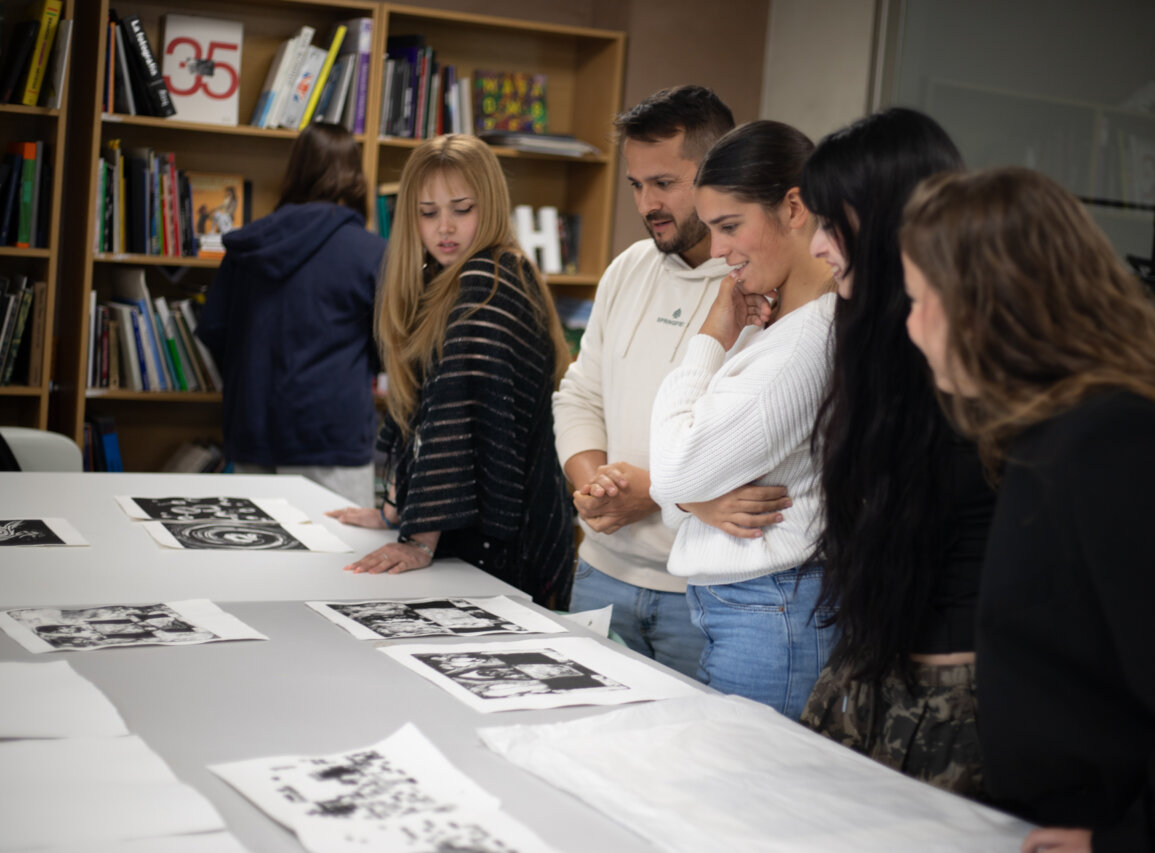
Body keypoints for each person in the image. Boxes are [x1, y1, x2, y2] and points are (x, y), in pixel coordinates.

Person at [899, 166, 1155, 852]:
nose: (912, 325)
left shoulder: (1125, 442)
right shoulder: (1050, 431)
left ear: (992, 305)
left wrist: (1129, 844)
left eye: (922, 300)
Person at [554, 86, 785, 678]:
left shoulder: (760, 288)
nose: (647, 202)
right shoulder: (627, 268)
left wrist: (652, 493)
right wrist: (594, 489)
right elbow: (580, 395)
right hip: (601, 573)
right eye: (636, 185)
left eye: (664, 183)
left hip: (703, 593)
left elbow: (761, 451)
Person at [793, 109, 991, 797]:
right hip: (872, 672)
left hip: (954, 704)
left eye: (829, 223)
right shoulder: (867, 337)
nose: (817, 246)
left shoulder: (970, 358)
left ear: (880, 219)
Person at [328, 134, 574, 609]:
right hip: (474, 539)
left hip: (504, 549)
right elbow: (417, 418)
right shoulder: (441, 280)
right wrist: (394, 511)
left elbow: (452, 416)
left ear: (492, 205)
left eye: (462, 208)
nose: (445, 227)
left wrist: (417, 538)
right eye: (427, 212)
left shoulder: (491, 281)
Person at [648, 120, 837, 719]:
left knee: (739, 801)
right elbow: (680, 476)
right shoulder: (779, 327)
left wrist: (711, 333)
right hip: (756, 607)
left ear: (794, 207)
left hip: (771, 612)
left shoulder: (806, 343)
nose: (720, 250)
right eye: (711, 230)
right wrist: (690, 499)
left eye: (731, 226)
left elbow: (673, 467)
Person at [198, 122, 384, 506]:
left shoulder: (249, 245)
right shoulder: (370, 253)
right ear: (354, 175)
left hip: (252, 429)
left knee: (257, 559)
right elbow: (391, 346)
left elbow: (214, 329)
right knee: (340, 561)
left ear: (296, 170)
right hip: (333, 437)